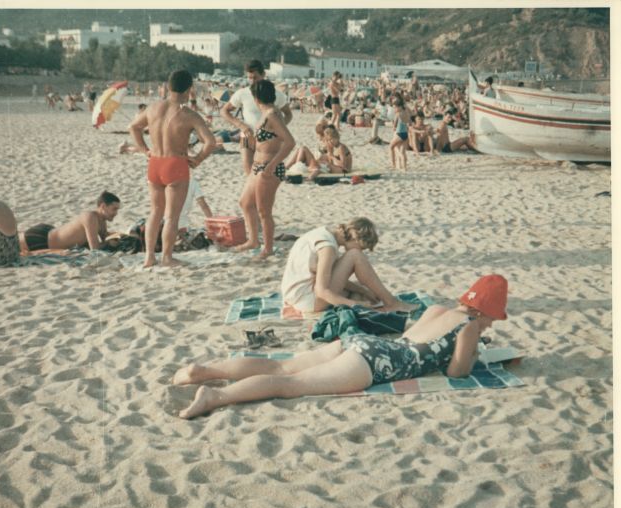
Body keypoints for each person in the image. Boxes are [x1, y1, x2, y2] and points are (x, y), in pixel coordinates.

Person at [174, 274, 509, 419]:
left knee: (282, 366)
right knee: (291, 385)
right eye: (491, 318)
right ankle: (216, 397)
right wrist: (475, 347)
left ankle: (205, 371)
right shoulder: (469, 327)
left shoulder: (438, 309)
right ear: (483, 312)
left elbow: (419, 337)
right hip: (378, 361)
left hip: (365, 343)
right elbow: (458, 372)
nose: (490, 324)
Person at [129, 69, 216, 268]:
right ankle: (167, 257)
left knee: (155, 212)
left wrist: (145, 150)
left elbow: (133, 127)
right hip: (175, 164)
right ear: (189, 90)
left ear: (168, 86)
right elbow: (210, 142)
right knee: (171, 216)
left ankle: (149, 257)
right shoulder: (189, 114)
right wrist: (198, 159)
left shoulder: (152, 108)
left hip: (155, 163)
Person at [281, 217, 417, 314]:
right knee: (355, 256)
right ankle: (392, 303)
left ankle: (383, 299)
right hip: (308, 301)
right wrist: (357, 306)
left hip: (295, 296)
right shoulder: (327, 248)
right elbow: (321, 291)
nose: (361, 251)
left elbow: (326, 276)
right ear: (356, 238)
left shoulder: (323, 234)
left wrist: (363, 291)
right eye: (361, 247)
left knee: (362, 287)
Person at [235, 80, 295, 259]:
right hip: (258, 166)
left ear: (255, 98)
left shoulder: (273, 115)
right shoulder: (266, 114)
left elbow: (290, 142)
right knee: (245, 203)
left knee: (264, 211)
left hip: (269, 167)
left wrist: (271, 166)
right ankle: (253, 240)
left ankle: (267, 248)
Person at [221, 60, 293, 175]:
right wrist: (241, 125)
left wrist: (277, 130)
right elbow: (224, 111)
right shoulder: (242, 93)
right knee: (249, 173)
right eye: (249, 78)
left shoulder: (275, 94)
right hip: (248, 135)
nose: (252, 81)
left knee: (264, 175)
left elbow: (288, 114)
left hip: (267, 139)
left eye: (255, 77)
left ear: (263, 74)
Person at [19, 191, 121, 252]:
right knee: (11, 241)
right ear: (103, 206)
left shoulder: (102, 221)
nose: (116, 213)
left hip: (52, 233)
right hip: (42, 240)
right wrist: (109, 244)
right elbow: (94, 248)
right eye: (114, 209)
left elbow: (105, 238)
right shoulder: (90, 217)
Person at [285, 126, 352, 181]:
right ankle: (289, 167)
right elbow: (329, 160)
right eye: (328, 140)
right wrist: (327, 154)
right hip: (322, 167)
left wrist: (331, 156)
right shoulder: (336, 147)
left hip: (322, 168)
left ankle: (294, 168)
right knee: (301, 150)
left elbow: (343, 165)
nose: (330, 142)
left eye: (331, 139)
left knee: (303, 149)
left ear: (336, 138)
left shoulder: (341, 147)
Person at [389, 93, 411, 171]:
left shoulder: (398, 114)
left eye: (395, 107)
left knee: (391, 147)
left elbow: (394, 125)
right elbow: (409, 122)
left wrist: (393, 127)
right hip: (405, 134)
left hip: (399, 133)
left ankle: (393, 164)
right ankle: (404, 167)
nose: (394, 109)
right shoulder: (406, 112)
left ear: (398, 107)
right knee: (402, 151)